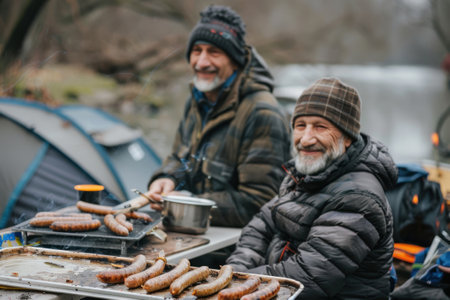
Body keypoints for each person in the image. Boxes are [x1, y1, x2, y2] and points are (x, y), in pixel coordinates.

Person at [226, 77, 398, 299]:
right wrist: (234, 273)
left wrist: (238, 285)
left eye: (320, 127)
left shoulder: (359, 197)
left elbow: (308, 277)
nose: (306, 139)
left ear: (347, 137)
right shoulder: (305, 175)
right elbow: (260, 227)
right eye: (300, 126)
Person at [146, 5, 291, 228]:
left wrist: (191, 205)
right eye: (197, 51)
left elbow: (260, 203)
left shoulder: (262, 113)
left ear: (235, 61)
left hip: (236, 249)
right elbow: (180, 157)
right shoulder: (195, 99)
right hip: (193, 231)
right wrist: (167, 178)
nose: (202, 62)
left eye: (214, 53)